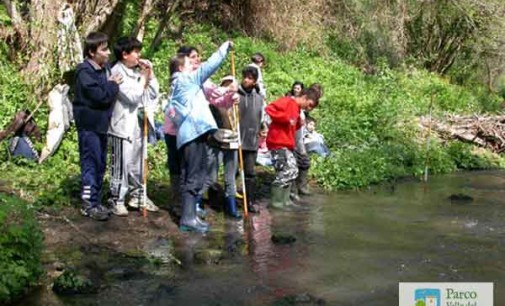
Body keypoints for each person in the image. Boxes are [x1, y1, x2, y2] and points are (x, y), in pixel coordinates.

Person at [167, 41, 233, 233]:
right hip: (192, 134)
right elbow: (209, 67)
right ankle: (188, 218)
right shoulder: (186, 81)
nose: (194, 66)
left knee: (194, 175)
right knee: (194, 177)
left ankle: (191, 216)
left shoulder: (180, 84)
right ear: (181, 68)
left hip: (193, 134)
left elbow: (214, 94)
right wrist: (224, 48)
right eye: (190, 63)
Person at [108, 36, 160, 216]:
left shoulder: (138, 72)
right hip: (121, 126)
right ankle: (117, 199)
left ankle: (138, 195)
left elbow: (152, 94)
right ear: (124, 54)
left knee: (138, 163)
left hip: (138, 124)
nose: (139, 55)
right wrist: (143, 80)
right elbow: (132, 96)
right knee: (121, 164)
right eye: (136, 52)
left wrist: (149, 75)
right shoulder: (117, 72)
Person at [73, 32, 122, 221]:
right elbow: (101, 96)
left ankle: (96, 200)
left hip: (101, 126)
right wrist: (113, 85)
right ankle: (88, 203)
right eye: (104, 49)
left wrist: (110, 86)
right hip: (89, 126)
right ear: (92, 52)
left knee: (100, 163)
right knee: (90, 164)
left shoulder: (104, 69)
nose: (108, 53)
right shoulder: (84, 72)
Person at [265, 88, 319, 210]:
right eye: (309, 104)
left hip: (287, 144)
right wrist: (285, 118)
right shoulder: (288, 101)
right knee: (285, 171)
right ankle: (277, 203)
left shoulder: (297, 109)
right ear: (304, 97)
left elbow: (297, 126)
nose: (309, 108)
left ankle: (286, 200)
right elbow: (269, 109)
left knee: (293, 170)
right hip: (277, 142)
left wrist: (299, 122)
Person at [206, 75, 242, 219]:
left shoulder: (237, 103)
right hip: (215, 141)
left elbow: (239, 124)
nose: (230, 87)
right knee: (211, 175)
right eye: (226, 84)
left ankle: (231, 206)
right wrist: (225, 91)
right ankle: (202, 202)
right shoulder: (213, 102)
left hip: (232, 142)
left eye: (232, 84)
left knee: (230, 177)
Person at [238, 66, 265, 213]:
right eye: (245, 77)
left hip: (252, 140)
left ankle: (249, 201)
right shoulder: (235, 95)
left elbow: (261, 117)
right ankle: (228, 200)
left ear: (255, 81)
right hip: (236, 140)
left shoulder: (259, 98)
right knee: (233, 172)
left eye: (250, 78)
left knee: (250, 173)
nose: (246, 80)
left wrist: (262, 127)